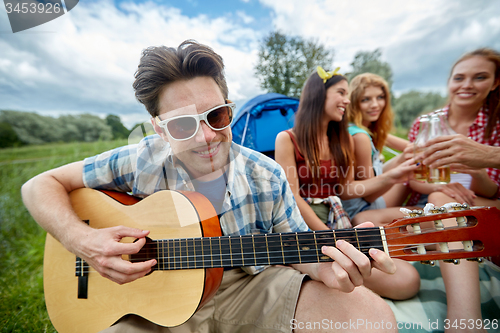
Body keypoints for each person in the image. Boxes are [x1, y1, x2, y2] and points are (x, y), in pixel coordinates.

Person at [22, 41, 400, 333]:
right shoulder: (140, 160)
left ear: (229, 108)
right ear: (159, 128)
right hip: (149, 301)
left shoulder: (266, 175)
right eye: (184, 125)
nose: (206, 137)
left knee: (373, 318)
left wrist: (328, 271)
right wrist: (82, 241)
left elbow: (299, 245)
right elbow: (39, 185)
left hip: (248, 288)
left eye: (217, 116)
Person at [358, 48, 500, 333]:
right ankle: (458, 246)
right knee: (363, 222)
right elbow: (416, 178)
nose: (467, 85)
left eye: (480, 77)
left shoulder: (494, 125)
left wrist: (475, 163)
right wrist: (440, 184)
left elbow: (493, 188)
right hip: (439, 208)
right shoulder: (427, 123)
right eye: (459, 77)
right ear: (449, 82)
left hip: (484, 206)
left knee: (440, 199)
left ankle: (465, 321)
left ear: (495, 83)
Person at [274, 67, 420, 301]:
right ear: (318, 95)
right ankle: (309, 269)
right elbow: (292, 196)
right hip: (305, 227)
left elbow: (346, 189)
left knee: (408, 279)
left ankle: (328, 273)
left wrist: (391, 177)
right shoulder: (287, 139)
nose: (347, 100)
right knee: (404, 283)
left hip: (337, 221)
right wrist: (328, 238)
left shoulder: (341, 140)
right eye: (341, 92)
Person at [341, 73, 412, 222]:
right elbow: (369, 196)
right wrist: (396, 176)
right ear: (354, 103)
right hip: (364, 208)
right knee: (410, 165)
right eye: (366, 99)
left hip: (357, 204)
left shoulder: (357, 129)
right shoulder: (360, 136)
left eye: (380, 97)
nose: (375, 104)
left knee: (408, 157)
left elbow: (412, 148)